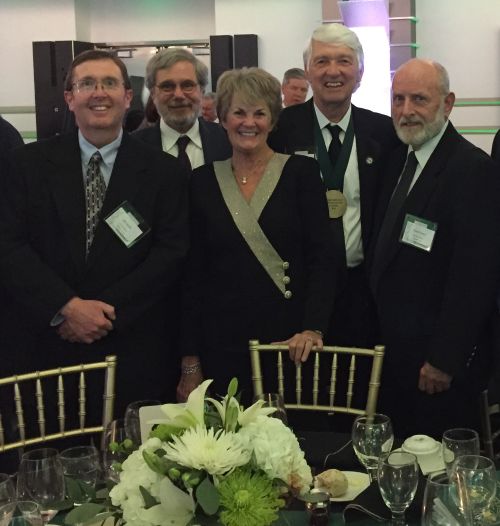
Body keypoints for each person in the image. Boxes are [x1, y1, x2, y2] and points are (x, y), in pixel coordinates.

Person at [0, 50, 189, 416]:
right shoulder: (26, 165)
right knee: (52, 464)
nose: (98, 93)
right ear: (69, 98)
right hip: (45, 348)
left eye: (109, 83)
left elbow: (170, 253)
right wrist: (67, 308)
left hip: (133, 349)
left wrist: (102, 314)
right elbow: (9, 245)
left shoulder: (166, 172)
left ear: (128, 97)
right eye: (86, 84)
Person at [177, 67, 336, 405]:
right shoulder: (202, 182)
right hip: (221, 343)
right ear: (222, 118)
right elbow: (191, 276)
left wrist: (313, 328)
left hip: (289, 344)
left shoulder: (302, 174)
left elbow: (325, 258)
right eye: (238, 112)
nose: (248, 122)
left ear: (273, 121)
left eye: (259, 113)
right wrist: (190, 359)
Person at [370, 58, 500, 438]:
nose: (406, 111)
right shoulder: (396, 159)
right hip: (395, 354)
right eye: (398, 99)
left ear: (447, 104)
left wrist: (444, 358)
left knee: (440, 472)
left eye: (419, 99)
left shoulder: (472, 170)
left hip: (437, 367)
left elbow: (475, 276)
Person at [269, 23, 400, 353]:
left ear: (360, 72)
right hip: (297, 293)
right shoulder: (280, 130)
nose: (333, 72)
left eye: (344, 61)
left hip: (363, 293)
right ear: (309, 72)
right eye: (322, 61)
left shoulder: (384, 134)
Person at [134, 48, 230, 171]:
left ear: (202, 91)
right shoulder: (132, 149)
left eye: (187, 85)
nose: (178, 95)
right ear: (153, 94)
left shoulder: (228, 141)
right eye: (167, 87)